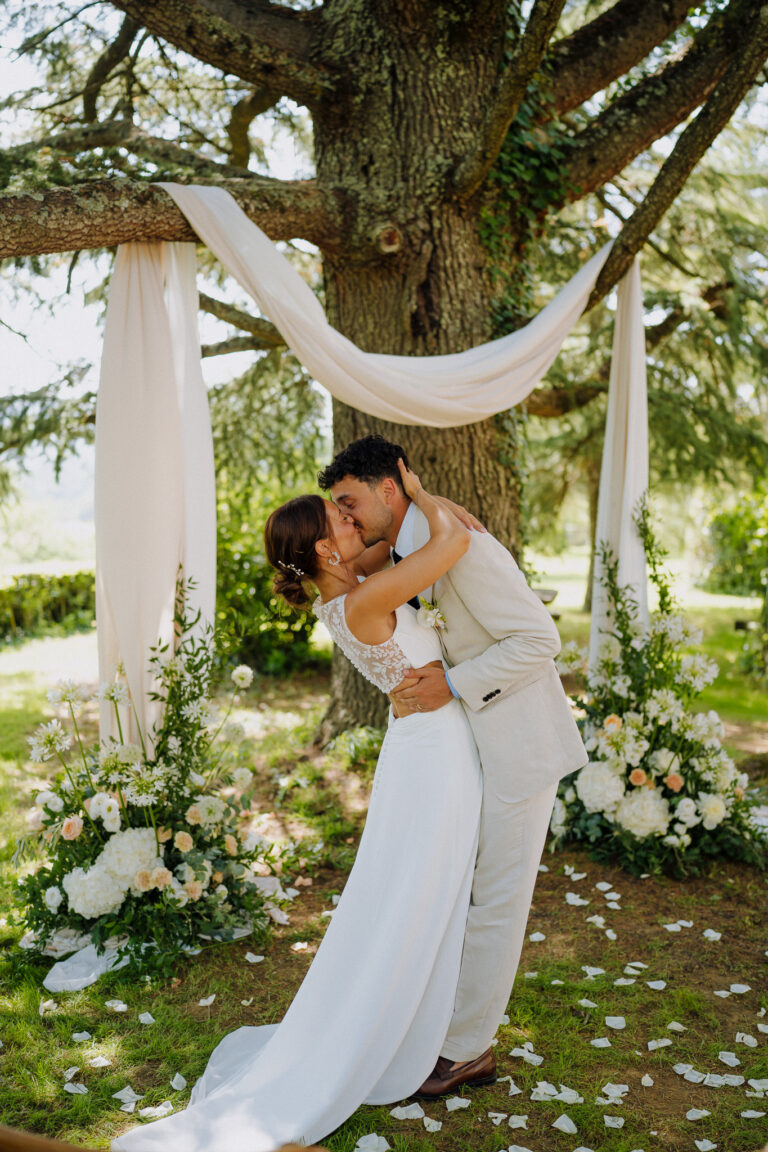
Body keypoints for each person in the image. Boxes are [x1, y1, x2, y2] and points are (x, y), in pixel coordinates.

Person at [111, 460, 485, 1152]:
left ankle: (422, 1023)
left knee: (420, 892)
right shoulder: (363, 602)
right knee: (417, 894)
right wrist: (426, 497)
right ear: (321, 548)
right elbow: (453, 544)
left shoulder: (350, 588)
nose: (354, 518)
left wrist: (402, 521)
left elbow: (394, 546)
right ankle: (404, 1030)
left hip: (428, 751)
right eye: (340, 518)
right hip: (432, 760)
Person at [318, 434, 587, 1098]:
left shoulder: (463, 545)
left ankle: (466, 1052)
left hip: (518, 744)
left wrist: (456, 684)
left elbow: (539, 639)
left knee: (495, 900)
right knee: (463, 894)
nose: (348, 520)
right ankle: (448, 1026)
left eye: (350, 504)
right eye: (338, 514)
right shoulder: (421, 544)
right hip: (465, 750)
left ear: (390, 489)